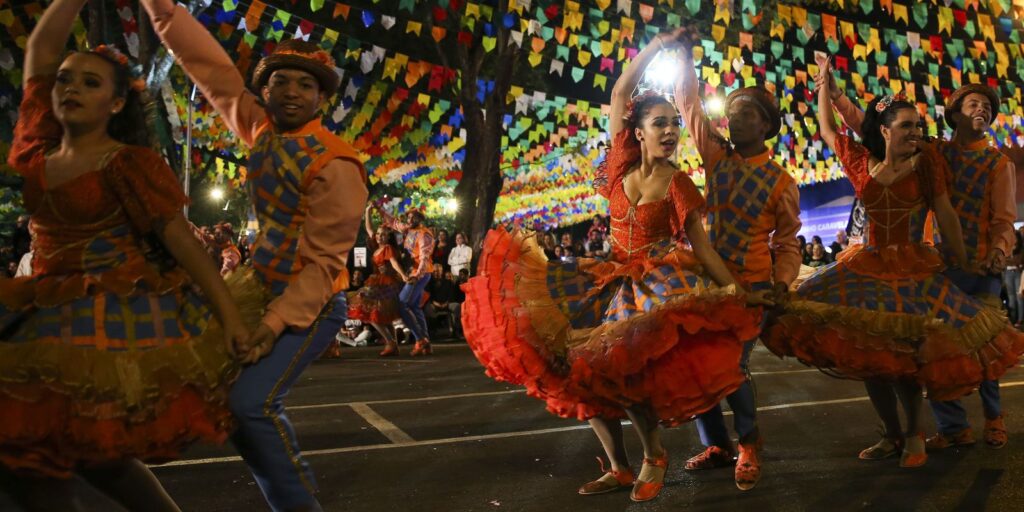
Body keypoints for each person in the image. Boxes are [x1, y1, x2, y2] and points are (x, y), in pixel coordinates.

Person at [462, 28, 771, 503]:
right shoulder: (620, 165)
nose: (671, 131)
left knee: (629, 376)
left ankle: (654, 455)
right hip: (605, 278)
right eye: (660, 123)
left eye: (675, 123)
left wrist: (735, 291)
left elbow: (703, 249)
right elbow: (621, 92)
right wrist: (659, 44)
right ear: (639, 130)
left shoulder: (681, 186)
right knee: (575, 371)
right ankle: (619, 466)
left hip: (654, 285)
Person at [0, 0, 256, 509]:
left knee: (74, 453)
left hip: (107, 317)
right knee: (45, 454)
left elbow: (183, 242)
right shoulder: (37, 150)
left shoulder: (128, 163)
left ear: (116, 105)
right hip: (44, 311)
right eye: (65, 80)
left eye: (90, 83)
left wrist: (231, 320)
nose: (70, 87)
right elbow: (41, 50)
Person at [143, 1, 369, 510]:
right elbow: (210, 69)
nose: (291, 91)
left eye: (305, 85)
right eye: (280, 81)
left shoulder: (336, 163)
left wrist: (271, 326)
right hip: (254, 285)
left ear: (322, 99)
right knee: (208, 393)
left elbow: (323, 264)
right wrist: (160, 9)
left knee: (250, 406)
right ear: (263, 91)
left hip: (308, 305)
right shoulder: (261, 130)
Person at [764, 59, 1024, 470]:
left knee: (914, 360)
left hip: (914, 268)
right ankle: (892, 434)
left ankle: (922, 435)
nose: (915, 133)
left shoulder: (929, 163)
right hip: (865, 268)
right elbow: (831, 129)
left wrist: (963, 257)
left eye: (918, 126)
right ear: (884, 131)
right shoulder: (860, 162)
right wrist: (823, 86)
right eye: (906, 126)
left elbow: (946, 213)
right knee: (872, 358)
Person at [675, 38, 802, 491]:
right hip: (705, 281)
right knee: (694, 363)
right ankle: (717, 444)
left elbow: (788, 243)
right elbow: (688, 106)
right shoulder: (717, 158)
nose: (736, 118)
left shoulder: (782, 182)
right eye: (733, 111)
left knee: (730, 366)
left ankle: (748, 442)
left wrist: (783, 282)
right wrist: (685, 61)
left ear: (766, 126)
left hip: (751, 287)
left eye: (748, 112)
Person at [348, 205, 406, 357]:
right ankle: (393, 345)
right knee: (381, 315)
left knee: (368, 308)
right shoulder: (376, 246)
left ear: (388, 237)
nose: (379, 236)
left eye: (383, 235)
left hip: (387, 283)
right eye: (379, 234)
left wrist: (403, 275)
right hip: (377, 282)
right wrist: (367, 211)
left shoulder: (387, 248)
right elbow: (368, 228)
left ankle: (390, 342)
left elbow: (393, 262)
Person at [378, 209, 436, 356]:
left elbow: (424, 258)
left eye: (412, 218)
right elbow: (394, 223)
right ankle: (426, 343)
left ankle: (420, 339)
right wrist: (379, 209)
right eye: (408, 217)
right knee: (414, 306)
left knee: (402, 304)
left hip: (420, 274)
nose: (409, 220)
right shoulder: (409, 229)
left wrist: (417, 275)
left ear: (419, 219)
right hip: (414, 273)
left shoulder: (425, 234)